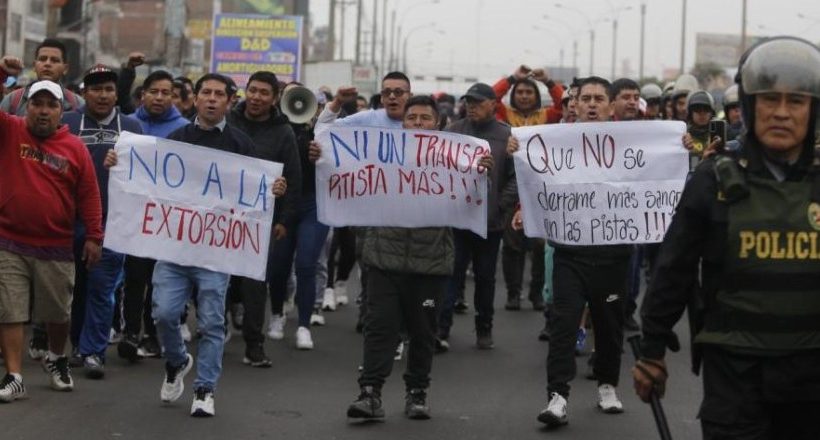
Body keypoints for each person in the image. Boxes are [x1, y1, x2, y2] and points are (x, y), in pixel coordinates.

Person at [633, 36, 820, 439]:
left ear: (813, 110)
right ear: (751, 107)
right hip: (734, 375)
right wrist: (652, 351)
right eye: (769, 100)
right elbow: (673, 270)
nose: (782, 114)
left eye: (796, 102)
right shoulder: (712, 180)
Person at [105, 73, 286, 417]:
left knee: (211, 322)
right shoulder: (177, 138)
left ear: (230, 101)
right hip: (173, 249)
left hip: (216, 254)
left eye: (220, 94)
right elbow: (148, 180)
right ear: (196, 98)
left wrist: (273, 190)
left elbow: (256, 195)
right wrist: (119, 164)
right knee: (164, 313)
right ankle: (176, 361)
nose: (212, 99)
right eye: (206, 93)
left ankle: (205, 389)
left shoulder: (240, 143)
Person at [509, 76, 630, 426]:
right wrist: (523, 205)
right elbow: (537, 178)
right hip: (569, 252)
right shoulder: (553, 140)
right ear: (573, 104)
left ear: (610, 106)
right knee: (563, 326)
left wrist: (681, 145)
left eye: (598, 98)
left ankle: (607, 385)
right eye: (584, 98)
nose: (591, 104)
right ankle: (557, 396)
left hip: (613, 253)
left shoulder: (633, 142)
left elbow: (655, 173)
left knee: (608, 326)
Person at [0, 56, 102, 403]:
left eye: (50, 105)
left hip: (56, 246)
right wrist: (3, 73)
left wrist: (93, 236)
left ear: (62, 112)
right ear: (26, 108)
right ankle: (14, 375)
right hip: (9, 241)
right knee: (9, 309)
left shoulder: (75, 148)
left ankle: (57, 358)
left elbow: (89, 195)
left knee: (57, 313)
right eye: (37, 104)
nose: (43, 111)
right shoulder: (10, 131)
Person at [62, 64, 143, 379]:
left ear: (116, 93)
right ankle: (78, 346)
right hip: (70, 222)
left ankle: (94, 350)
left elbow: (145, 176)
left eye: (108, 88)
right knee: (76, 286)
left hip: (114, 222)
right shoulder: (67, 123)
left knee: (102, 286)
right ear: (84, 92)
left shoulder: (133, 127)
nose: (103, 95)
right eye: (95, 88)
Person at [227, 71, 302, 366]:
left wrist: (284, 220)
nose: (256, 97)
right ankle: (217, 326)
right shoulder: (228, 121)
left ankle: (254, 344)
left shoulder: (283, 133)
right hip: (222, 214)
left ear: (274, 99)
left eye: (264, 93)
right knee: (219, 276)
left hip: (260, 219)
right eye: (252, 91)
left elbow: (292, 179)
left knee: (254, 283)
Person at [117, 70, 191, 361]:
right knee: (134, 277)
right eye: (154, 92)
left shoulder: (185, 128)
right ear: (143, 94)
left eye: (166, 93)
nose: (159, 98)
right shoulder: (130, 125)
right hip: (135, 215)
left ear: (173, 96)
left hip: (167, 218)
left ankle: (153, 333)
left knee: (159, 278)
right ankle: (131, 332)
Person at [437, 82, 515, 350]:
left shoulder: (506, 136)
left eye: (478, 102)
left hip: (489, 224)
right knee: (451, 274)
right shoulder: (453, 131)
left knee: (485, 277)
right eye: (469, 102)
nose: (472, 107)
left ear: (493, 104)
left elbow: (515, 179)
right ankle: (441, 329)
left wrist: (500, 206)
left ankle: (484, 328)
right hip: (458, 219)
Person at [0, 39, 84, 115]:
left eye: (54, 60)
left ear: (65, 69)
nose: (47, 64)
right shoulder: (12, 101)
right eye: (42, 59)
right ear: (34, 66)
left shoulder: (78, 104)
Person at [493, 65, 563, 126]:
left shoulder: (547, 115)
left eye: (529, 92)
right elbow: (490, 98)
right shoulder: (505, 114)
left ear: (536, 96)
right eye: (520, 92)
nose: (524, 96)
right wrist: (513, 78)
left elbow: (563, 104)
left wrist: (547, 81)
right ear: (513, 95)